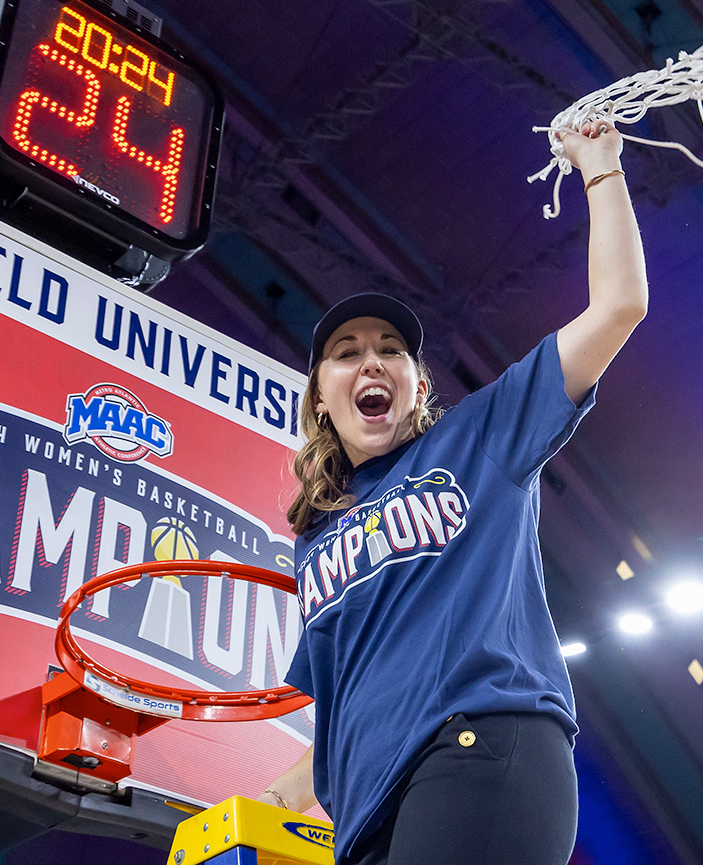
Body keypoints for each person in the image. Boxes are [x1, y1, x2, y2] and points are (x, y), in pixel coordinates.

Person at [260, 120, 647, 865]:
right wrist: (268, 802)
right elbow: (353, 713)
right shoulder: (314, 541)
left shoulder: (480, 438)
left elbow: (619, 306)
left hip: (483, 743)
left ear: (417, 385)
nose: (371, 361)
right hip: (369, 811)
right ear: (319, 400)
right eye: (346, 353)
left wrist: (600, 168)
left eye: (391, 351)